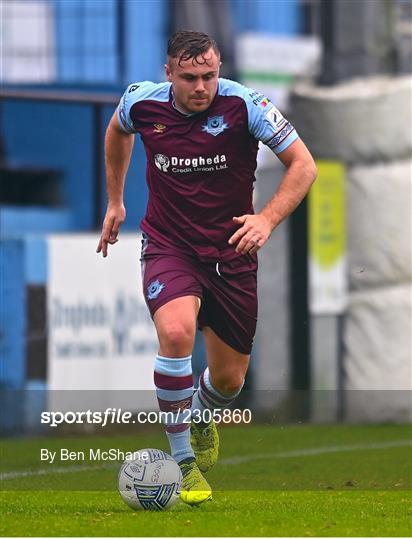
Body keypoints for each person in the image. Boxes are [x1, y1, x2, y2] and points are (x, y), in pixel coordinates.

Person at [97, 30, 317, 506]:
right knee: (175, 335)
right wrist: (115, 201)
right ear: (169, 73)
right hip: (169, 244)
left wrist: (267, 219)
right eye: (191, 77)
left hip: (232, 252)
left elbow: (303, 165)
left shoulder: (246, 105)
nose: (202, 87)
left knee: (230, 380)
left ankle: (201, 413)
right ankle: (183, 463)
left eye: (210, 75)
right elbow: (117, 130)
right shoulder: (141, 102)